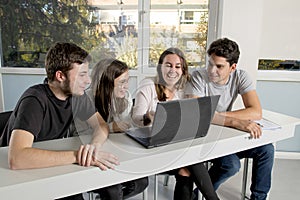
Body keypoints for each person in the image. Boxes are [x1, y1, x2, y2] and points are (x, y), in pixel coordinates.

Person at [0, 42, 119, 200]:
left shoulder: (78, 96)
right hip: (14, 179)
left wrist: (93, 148)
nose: (88, 80)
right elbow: (17, 158)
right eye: (82, 75)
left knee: (102, 189)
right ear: (60, 76)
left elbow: (101, 126)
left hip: (49, 166)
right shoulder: (34, 100)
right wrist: (77, 156)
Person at [187, 38, 274, 200]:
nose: (212, 70)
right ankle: (198, 194)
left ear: (232, 67)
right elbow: (198, 114)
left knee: (266, 150)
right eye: (210, 63)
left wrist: (217, 117)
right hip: (207, 137)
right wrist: (235, 121)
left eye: (219, 66)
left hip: (226, 132)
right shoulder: (199, 77)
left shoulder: (241, 77)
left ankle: (259, 198)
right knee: (231, 165)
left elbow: (256, 112)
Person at [132, 47, 219, 200]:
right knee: (191, 161)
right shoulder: (148, 85)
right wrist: (148, 117)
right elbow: (136, 119)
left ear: (183, 70)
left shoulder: (184, 88)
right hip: (151, 147)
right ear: (160, 67)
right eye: (168, 65)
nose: (173, 70)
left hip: (175, 144)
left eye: (177, 66)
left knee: (186, 167)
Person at [82, 58, 148, 199]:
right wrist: (111, 127)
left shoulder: (126, 98)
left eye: (127, 81)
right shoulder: (85, 99)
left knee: (141, 182)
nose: (126, 86)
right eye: (122, 82)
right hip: (94, 152)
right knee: (113, 189)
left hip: (119, 151)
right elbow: (80, 134)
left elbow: (125, 128)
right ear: (107, 82)